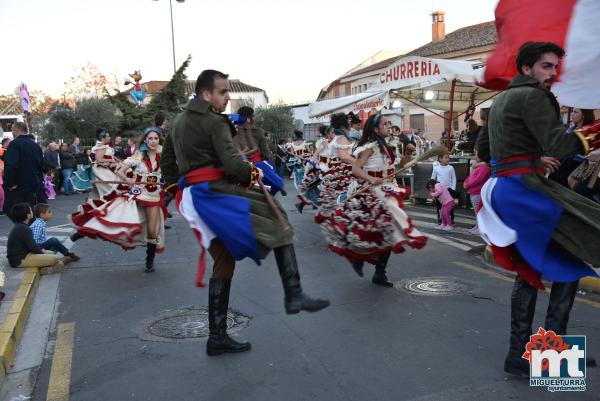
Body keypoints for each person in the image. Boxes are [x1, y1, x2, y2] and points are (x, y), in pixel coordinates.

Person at [160, 69, 330, 356]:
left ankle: (217, 338)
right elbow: (233, 165)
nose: (228, 97)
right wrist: (255, 173)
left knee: (224, 261)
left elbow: (167, 163)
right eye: (223, 92)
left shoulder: (177, 122)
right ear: (206, 95)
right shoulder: (215, 121)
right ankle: (294, 294)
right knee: (279, 222)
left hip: (191, 199)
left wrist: (177, 189)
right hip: (216, 193)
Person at [476, 42, 600, 377]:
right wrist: (593, 132)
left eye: (555, 66)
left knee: (536, 269)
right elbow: (560, 145)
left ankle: (523, 355)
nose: (553, 73)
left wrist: (526, 161)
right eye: (547, 66)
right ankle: (550, 356)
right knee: (577, 253)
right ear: (527, 68)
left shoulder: (502, 99)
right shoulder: (535, 96)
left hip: (509, 189)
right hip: (527, 192)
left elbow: (483, 148)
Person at [321, 113, 427, 286]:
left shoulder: (389, 146)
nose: (389, 126)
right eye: (385, 124)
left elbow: (400, 166)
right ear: (376, 128)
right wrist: (371, 179)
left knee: (389, 232)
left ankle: (379, 272)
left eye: (388, 123)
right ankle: (360, 260)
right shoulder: (369, 146)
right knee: (373, 232)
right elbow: (356, 169)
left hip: (387, 190)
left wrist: (408, 154)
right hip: (369, 192)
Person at [71, 128, 167, 273]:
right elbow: (121, 171)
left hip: (154, 196)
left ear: (159, 140)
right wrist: (128, 179)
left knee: (152, 232)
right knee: (113, 216)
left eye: (156, 138)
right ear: (145, 140)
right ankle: (86, 230)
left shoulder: (164, 154)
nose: (153, 141)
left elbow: (172, 170)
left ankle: (149, 261)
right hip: (138, 193)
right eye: (150, 138)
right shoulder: (139, 155)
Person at [233, 106, 286, 196]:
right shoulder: (257, 131)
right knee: (278, 183)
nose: (255, 118)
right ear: (249, 118)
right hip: (257, 166)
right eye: (253, 116)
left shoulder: (232, 132)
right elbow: (265, 152)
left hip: (238, 167)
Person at [314, 113, 355, 224]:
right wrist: (359, 163)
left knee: (337, 200)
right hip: (342, 172)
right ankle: (342, 224)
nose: (350, 124)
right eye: (349, 122)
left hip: (335, 169)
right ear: (343, 125)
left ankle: (339, 222)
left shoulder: (337, 137)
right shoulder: (341, 138)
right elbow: (344, 157)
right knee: (345, 199)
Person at [2, 122, 47, 221]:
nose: (12, 132)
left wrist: (10, 183)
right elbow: (42, 165)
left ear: (16, 130)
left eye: (13, 130)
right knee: (28, 208)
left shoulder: (14, 144)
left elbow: (11, 165)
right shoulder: (35, 145)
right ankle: (29, 228)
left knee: (10, 208)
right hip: (34, 183)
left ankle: (25, 228)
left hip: (19, 184)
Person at [6, 203, 63, 272]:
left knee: (52, 254)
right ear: (27, 215)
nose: (32, 212)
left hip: (24, 254)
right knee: (54, 258)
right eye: (30, 210)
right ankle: (44, 268)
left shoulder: (20, 226)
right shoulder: (24, 228)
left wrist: (44, 252)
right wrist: (43, 252)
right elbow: (33, 247)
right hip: (20, 259)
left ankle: (45, 265)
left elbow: (32, 246)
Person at [549, 107, 596, 188]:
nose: (572, 114)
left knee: (562, 186)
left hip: (575, 165)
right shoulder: (572, 127)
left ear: (583, 115)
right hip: (563, 161)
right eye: (572, 111)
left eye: (576, 112)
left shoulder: (588, 131)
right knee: (551, 182)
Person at [295, 125, 334, 213]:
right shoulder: (324, 143)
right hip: (322, 168)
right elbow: (315, 154)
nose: (333, 134)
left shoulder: (334, 142)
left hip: (329, 167)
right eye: (332, 133)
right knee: (318, 187)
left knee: (318, 188)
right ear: (327, 134)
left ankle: (302, 205)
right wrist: (319, 164)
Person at [463, 154, 490, 234]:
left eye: (477, 154)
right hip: (474, 192)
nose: (475, 156)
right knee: (477, 211)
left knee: (478, 212)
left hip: (477, 192)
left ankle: (480, 227)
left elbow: (476, 179)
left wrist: (467, 184)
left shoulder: (484, 169)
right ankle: (478, 226)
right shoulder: (480, 167)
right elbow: (472, 177)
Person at [90, 128, 121, 198]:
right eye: (108, 136)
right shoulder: (101, 146)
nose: (110, 138)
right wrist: (111, 161)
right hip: (101, 170)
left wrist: (116, 159)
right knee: (112, 186)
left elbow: (108, 155)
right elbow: (99, 159)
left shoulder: (104, 145)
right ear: (103, 138)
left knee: (110, 187)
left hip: (105, 168)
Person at [430, 153, 456, 223]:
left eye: (448, 158)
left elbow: (454, 178)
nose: (448, 159)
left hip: (448, 189)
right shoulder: (436, 168)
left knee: (449, 205)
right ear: (440, 159)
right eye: (446, 158)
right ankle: (440, 218)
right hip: (439, 191)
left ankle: (450, 218)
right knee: (439, 205)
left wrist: (453, 188)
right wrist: (433, 190)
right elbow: (432, 179)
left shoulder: (451, 168)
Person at [0, 137, 9, 215]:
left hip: (5, 173)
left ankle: (3, 207)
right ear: (5, 143)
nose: (9, 144)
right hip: (2, 173)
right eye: (8, 142)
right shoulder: (1, 151)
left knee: (4, 192)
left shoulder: (6, 151)